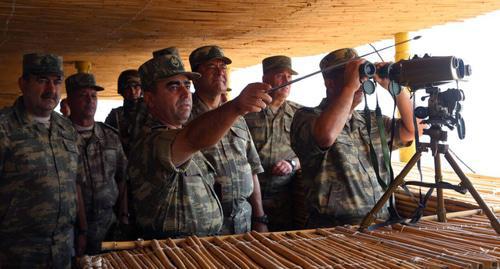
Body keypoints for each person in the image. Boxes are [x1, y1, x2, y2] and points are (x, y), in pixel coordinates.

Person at [128, 48, 271, 239]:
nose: (185, 93)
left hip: (207, 245)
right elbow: (191, 138)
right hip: (172, 253)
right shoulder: (151, 142)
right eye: (173, 87)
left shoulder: (181, 133)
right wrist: (236, 106)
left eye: (187, 85)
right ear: (150, 98)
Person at [290, 48, 418, 228]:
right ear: (329, 82)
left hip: (381, 224)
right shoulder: (307, 118)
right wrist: (350, 88)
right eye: (348, 75)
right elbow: (326, 136)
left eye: (360, 75)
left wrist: (395, 87)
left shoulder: (371, 120)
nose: (360, 81)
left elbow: (413, 130)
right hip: (333, 231)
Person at [0, 53, 80, 268]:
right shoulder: (4, 127)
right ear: (23, 83)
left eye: (57, 81)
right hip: (17, 253)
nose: (51, 90)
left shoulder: (66, 127)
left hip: (63, 248)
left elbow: (75, 183)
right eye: (42, 80)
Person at [188, 45, 267, 234]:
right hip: (205, 223)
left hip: (242, 219)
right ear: (195, 77)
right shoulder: (186, 117)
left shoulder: (238, 116)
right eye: (211, 67)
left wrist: (259, 217)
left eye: (223, 67)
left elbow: (252, 167)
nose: (220, 72)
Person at [65, 73, 128, 254]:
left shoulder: (110, 136)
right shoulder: (60, 136)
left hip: (108, 223)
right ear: (69, 100)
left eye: (93, 96)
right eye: (83, 96)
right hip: (72, 227)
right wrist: (82, 230)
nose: (90, 101)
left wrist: (123, 215)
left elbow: (123, 177)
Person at [244, 55, 302, 231]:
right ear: (265, 80)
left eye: (289, 77)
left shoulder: (300, 114)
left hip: (287, 199)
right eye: (280, 75)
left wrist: (292, 164)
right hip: (250, 199)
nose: (286, 81)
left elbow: (312, 153)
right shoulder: (247, 112)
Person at [105, 69, 142, 155]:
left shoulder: (152, 112)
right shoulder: (115, 115)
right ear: (122, 91)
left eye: (136, 87)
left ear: (141, 89)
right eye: (127, 88)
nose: (132, 91)